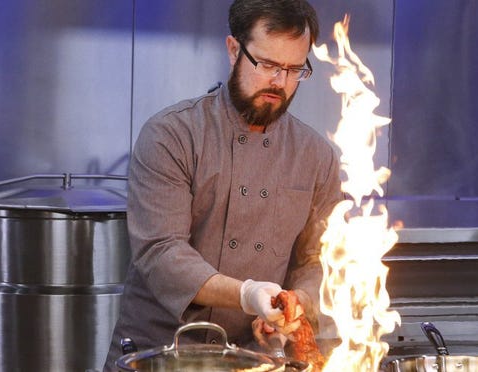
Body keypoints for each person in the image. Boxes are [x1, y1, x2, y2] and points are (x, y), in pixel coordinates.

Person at [103, 0, 342, 369]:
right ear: (234, 50)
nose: (279, 82)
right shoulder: (173, 135)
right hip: (160, 356)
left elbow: (317, 260)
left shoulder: (317, 156)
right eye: (267, 65)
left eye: (294, 69)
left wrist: (293, 305)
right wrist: (248, 294)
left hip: (253, 360)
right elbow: (162, 252)